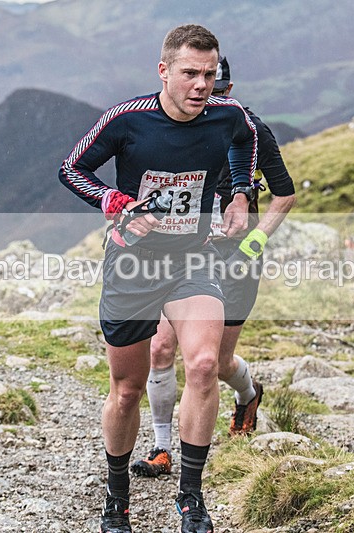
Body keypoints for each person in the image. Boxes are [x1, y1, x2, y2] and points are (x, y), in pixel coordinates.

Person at [59, 24, 258, 533]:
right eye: (190, 73)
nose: (201, 85)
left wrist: (237, 194)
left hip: (193, 258)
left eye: (210, 75)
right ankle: (117, 499)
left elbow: (246, 142)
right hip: (133, 263)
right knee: (127, 389)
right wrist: (117, 202)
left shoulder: (228, 116)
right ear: (164, 71)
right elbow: (72, 169)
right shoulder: (128, 120)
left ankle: (191, 497)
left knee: (206, 362)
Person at [130, 55, 295, 479]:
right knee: (160, 347)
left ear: (228, 89)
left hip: (238, 257)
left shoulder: (251, 128)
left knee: (215, 364)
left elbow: (285, 195)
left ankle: (248, 393)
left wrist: (254, 242)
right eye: (197, 85)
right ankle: (162, 447)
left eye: (216, 89)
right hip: (184, 254)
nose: (205, 97)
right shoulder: (171, 127)